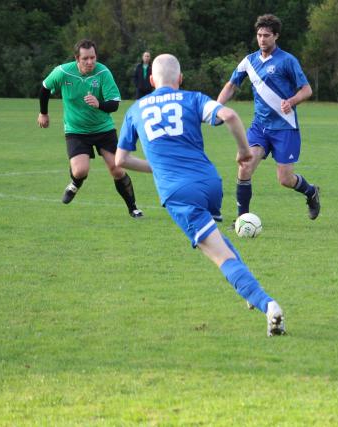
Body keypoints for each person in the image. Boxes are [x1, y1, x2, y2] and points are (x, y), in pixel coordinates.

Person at [115, 53, 286, 336]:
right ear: (180, 79)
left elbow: (120, 160)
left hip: (179, 192)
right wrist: (244, 151)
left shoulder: (136, 110)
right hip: (210, 183)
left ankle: (268, 306)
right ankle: (249, 291)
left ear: (150, 79)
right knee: (217, 240)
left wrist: (159, 168)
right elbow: (229, 115)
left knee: (219, 256)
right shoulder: (191, 98)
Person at [217, 14, 320, 223]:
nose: (262, 39)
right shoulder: (249, 61)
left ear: (276, 36)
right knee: (245, 167)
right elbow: (231, 85)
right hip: (260, 127)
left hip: (285, 128)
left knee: (285, 179)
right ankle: (242, 220)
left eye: (266, 35)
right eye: (259, 35)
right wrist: (216, 108)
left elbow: (307, 90)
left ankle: (311, 192)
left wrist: (292, 101)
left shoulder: (288, 61)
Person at [38, 39, 143, 218]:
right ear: (77, 59)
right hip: (76, 131)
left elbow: (114, 104)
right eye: (85, 58)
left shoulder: (103, 72)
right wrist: (43, 113)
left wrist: (99, 104)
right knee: (80, 171)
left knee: (117, 169)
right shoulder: (62, 72)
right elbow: (45, 88)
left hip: (103, 129)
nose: (90, 62)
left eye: (93, 57)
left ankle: (133, 207)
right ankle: (75, 183)